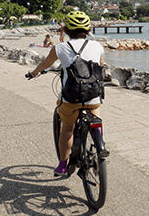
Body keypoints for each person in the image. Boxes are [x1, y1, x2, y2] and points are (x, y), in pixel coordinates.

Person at [27, 11, 106, 176]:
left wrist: (33, 73)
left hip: (71, 98)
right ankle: (99, 143)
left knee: (67, 129)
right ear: (88, 29)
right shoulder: (97, 46)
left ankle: (63, 164)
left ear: (67, 29)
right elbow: (100, 67)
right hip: (92, 96)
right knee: (95, 117)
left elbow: (45, 64)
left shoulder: (61, 48)